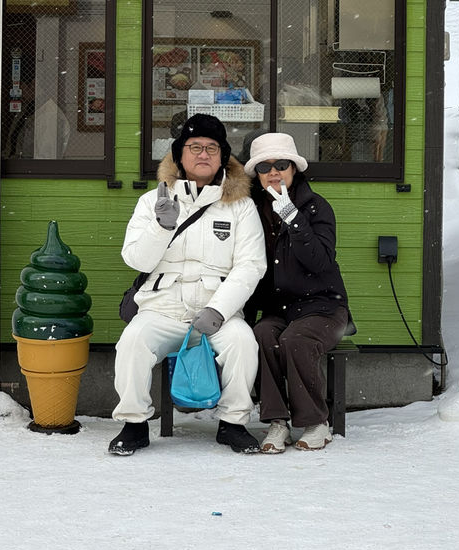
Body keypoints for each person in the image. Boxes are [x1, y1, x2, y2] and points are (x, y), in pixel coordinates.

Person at [109, 113, 267, 456]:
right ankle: (133, 425)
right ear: (179, 155)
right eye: (194, 147)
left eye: (212, 148)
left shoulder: (240, 205)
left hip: (215, 310)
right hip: (163, 307)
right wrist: (161, 227)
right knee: (132, 342)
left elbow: (251, 264)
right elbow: (135, 259)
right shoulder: (153, 202)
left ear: (222, 156)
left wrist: (219, 309)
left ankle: (233, 424)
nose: (203, 154)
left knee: (243, 342)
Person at [243, 132, 355, 453]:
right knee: (263, 333)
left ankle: (316, 421)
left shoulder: (316, 207)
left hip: (324, 309)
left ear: (294, 169)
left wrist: (292, 216)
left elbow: (320, 260)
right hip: (280, 310)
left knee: (296, 339)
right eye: (265, 166)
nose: (274, 172)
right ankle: (278, 422)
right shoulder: (252, 212)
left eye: (281, 164)